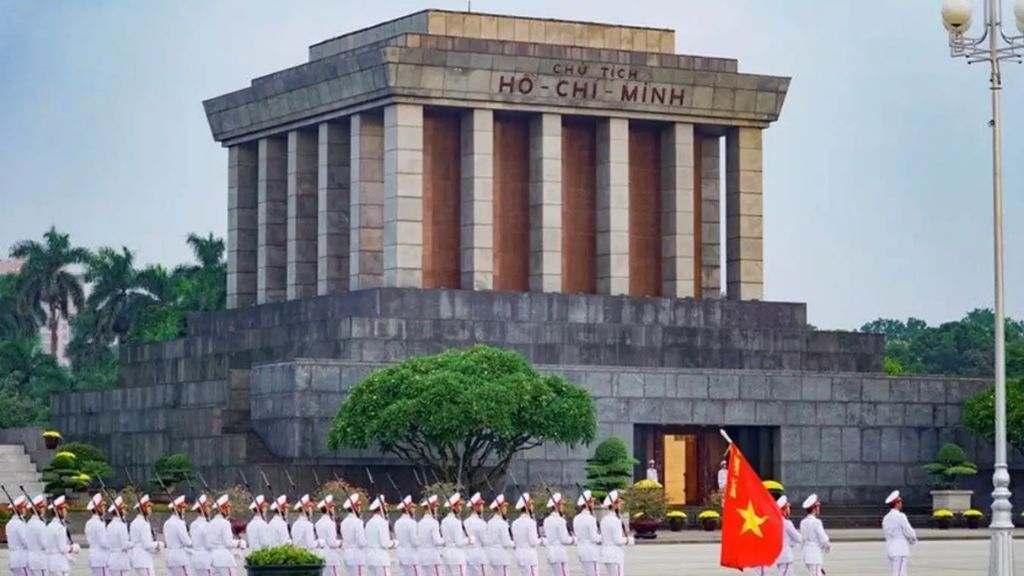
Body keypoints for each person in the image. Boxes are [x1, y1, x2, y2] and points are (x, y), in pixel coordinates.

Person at [208, 494, 247, 576]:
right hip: (224, 559)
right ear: (223, 509)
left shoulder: (211, 523)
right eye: (228, 508)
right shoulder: (225, 523)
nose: (230, 510)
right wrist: (239, 543)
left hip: (212, 558)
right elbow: (228, 543)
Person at [883, 490, 918, 576]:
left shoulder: (886, 518)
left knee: (896, 572)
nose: (901, 504)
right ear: (897, 503)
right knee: (900, 573)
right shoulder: (900, 516)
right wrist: (913, 539)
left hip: (891, 549)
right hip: (900, 550)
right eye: (900, 502)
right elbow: (909, 531)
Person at [598, 491, 632, 576]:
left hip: (606, 554)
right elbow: (618, 540)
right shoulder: (615, 521)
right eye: (619, 503)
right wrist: (628, 540)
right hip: (615, 555)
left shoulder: (604, 520)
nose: (620, 505)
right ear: (615, 505)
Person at [46, 495, 81, 576]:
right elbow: (63, 548)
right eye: (64, 509)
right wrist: (74, 548)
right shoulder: (60, 527)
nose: (66, 512)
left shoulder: (49, 525)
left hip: (50, 562)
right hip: (59, 563)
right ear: (59, 511)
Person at [130, 494, 164, 576]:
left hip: (136, 559)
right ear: (143, 508)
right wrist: (159, 544)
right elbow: (147, 544)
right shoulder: (144, 524)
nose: (150, 509)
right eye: (148, 507)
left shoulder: (134, 522)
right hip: (144, 560)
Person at [510, 493, 544, 576]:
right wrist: (542, 541)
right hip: (529, 557)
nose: (532, 506)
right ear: (527, 507)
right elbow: (533, 542)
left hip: (519, 556)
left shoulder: (515, 523)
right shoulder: (530, 523)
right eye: (531, 504)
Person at [542, 493, 575, 576]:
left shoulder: (546, 520)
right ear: (558, 506)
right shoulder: (560, 521)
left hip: (551, 553)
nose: (563, 507)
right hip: (560, 554)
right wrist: (573, 539)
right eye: (561, 505)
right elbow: (565, 540)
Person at [441, 493, 472, 576]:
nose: (461, 508)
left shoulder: (444, 521)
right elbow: (459, 542)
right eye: (459, 506)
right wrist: (469, 540)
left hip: (447, 554)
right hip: (457, 556)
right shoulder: (456, 522)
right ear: (454, 507)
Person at [799, 494, 830, 576]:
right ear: (814, 508)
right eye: (818, 507)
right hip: (815, 555)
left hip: (807, 554)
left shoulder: (803, 522)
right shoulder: (816, 522)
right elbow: (824, 539)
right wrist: (827, 546)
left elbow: (802, 540)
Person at [365, 495, 396, 576]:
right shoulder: (382, 523)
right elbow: (385, 543)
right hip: (380, 560)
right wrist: (394, 543)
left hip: (371, 559)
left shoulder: (369, 523)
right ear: (381, 509)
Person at [572, 491, 601, 576]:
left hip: (581, 551)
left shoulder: (576, 518)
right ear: (589, 503)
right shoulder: (591, 519)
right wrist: (603, 536)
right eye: (592, 502)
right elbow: (594, 538)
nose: (593, 504)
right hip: (591, 553)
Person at [484, 495, 513, 576]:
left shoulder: (490, 522)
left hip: (492, 555)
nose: (506, 509)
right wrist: (514, 543)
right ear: (500, 509)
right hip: (501, 556)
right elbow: (506, 543)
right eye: (504, 507)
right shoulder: (502, 523)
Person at [164, 495, 193, 576]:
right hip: (180, 559)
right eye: (183, 508)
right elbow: (187, 542)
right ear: (178, 509)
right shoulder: (179, 523)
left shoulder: (167, 523)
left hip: (170, 557)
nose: (184, 510)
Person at [773, 496, 801, 576]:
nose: (789, 510)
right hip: (785, 556)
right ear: (784, 508)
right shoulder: (786, 523)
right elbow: (798, 537)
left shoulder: (776, 521)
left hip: (779, 556)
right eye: (788, 507)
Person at [417, 494, 444, 576]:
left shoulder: (420, 523)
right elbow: (437, 541)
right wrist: (446, 539)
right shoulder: (434, 523)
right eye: (435, 507)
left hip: (422, 556)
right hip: (432, 557)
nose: (436, 509)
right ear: (431, 508)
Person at [341, 493, 368, 576]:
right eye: (358, 506)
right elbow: (361, 543)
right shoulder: (358, 522)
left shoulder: (344, 522)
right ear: (355, 507)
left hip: (347, 555)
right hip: (357, 557)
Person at [316, 496, 344, 576]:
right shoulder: (331, 523)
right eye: (332, 507)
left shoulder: (318, 523)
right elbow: (332, 543)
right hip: (331, 557)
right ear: (328, 509)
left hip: (321, 555)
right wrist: (341, 543)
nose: (333, 510)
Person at [462, 493, 488, 576]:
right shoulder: (481, 523)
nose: (482, 508)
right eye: (481, 505)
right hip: (479, 555)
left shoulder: (465, 522)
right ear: (476, 507)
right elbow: (485, 541)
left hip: (467, 554)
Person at [393, 495, 420, 576]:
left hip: (402, 556)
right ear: (408, 509)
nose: (414, 510)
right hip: (411, 556)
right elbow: (415, 542)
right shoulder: (411, 523)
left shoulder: (397, 522)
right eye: (412, 508)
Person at [107, 496, 133, 576]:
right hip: (120, 561)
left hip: (112, 560)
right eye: (123, 509)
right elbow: (124, 545)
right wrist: (134, 543)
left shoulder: (110, 525)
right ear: (119, 511)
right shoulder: (121, 526)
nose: (125, 512)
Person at [189, 494, 214, 576]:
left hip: (195, 558)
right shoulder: (207, 525)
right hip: (205, 559)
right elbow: (209, 544)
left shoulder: (193, 524)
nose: (210, 509)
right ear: (203, 509)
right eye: (208, 507)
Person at [26, 494, 50, 576]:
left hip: (30, 559)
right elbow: (45, 544)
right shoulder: (40, 524)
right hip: (40, 560)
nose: (44, 510)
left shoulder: (28, 523)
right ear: (37, 509)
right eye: (42, 507)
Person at [8, 495, 31, 576]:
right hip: (22, 559)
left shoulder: (9, 524)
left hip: (13, 558)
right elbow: (26, 542)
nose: (25, 510)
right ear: (20, 509)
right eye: (24, 508)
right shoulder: (20, 524)